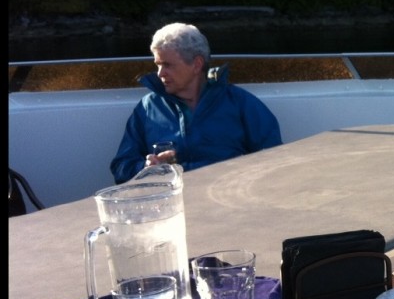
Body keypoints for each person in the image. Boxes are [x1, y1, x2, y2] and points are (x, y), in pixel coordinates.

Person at [110, 23, 283, 183]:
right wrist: (147, 169)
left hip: (228, 200)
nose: (160, 73)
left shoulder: (240, 102)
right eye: (157, 65)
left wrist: (185, 170)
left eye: (167, 65)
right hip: (170, 205)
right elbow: (121, 167)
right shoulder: (148, 108)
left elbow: (274, 159)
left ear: (196, 64)